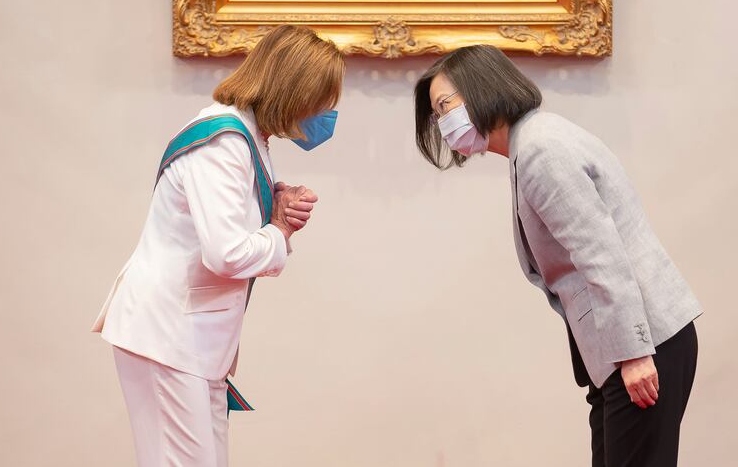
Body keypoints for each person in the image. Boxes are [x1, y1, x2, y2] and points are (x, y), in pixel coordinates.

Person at [413, 45, 702, 467]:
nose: (443, 124)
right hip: (627, 346)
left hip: (642, 344)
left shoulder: (541, 150)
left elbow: (600, 255)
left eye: (445, 107)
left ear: (480, 89)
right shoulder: (535, 141)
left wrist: (634, 354)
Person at [91, 25, 345, 467]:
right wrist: (280, 231)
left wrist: (272, 212)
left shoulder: (248, 137)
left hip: (194, 341)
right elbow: (226, 253)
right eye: (321, 98)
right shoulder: (224, 141)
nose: (325, 111)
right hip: (167, 335)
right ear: (292, 90)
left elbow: (233, 228)